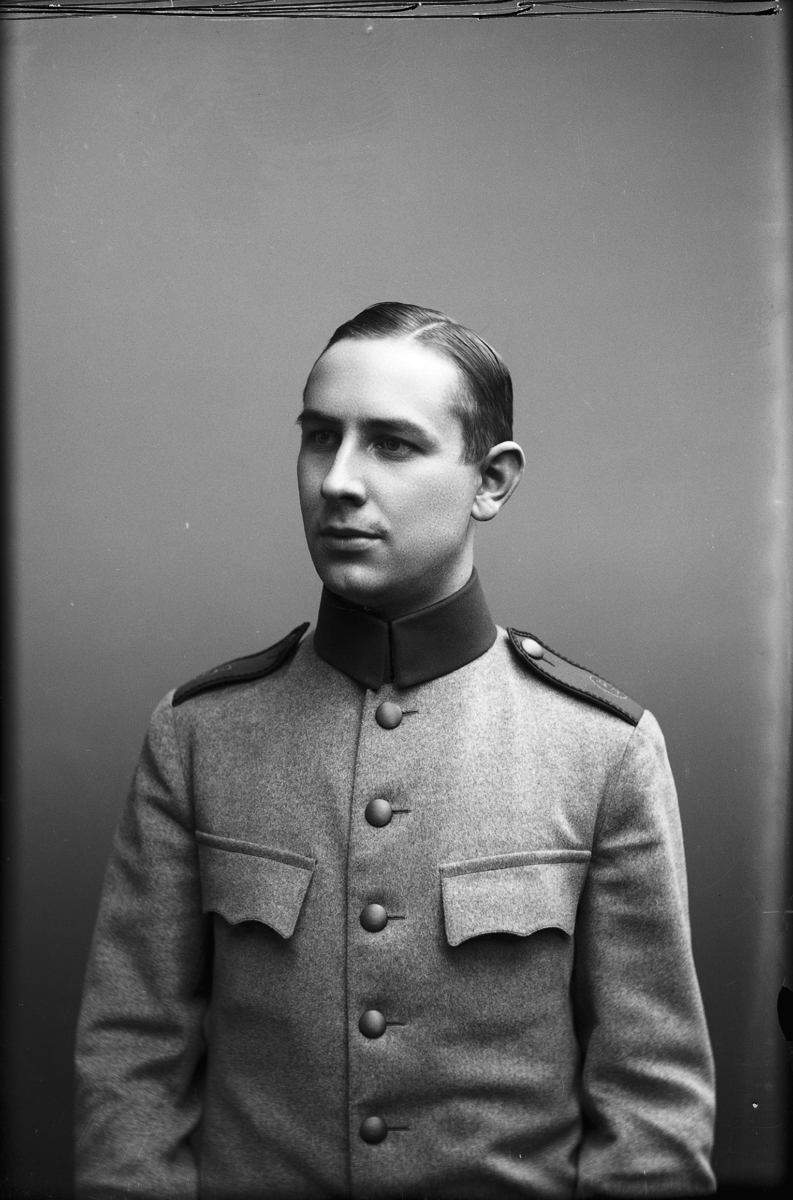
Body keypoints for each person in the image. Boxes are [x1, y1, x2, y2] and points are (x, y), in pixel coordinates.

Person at [75, 302, 716, 1199]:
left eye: (391, 444)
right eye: (319, 438)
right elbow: (130, 1062)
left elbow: (651, 1107)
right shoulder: (199, 736)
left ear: (490, 481)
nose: (338, 481)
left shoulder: (601, 750)